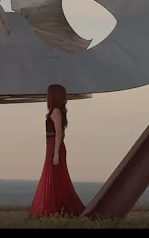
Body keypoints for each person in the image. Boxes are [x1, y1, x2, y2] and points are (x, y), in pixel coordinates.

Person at [30, 84, 85, 217]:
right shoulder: (55, 111)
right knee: (55, 179)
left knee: (54, 178)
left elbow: (59, 133)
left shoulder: (56, 111)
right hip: (52, 146)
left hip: (55, 147)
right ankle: (58, 207)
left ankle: (53, 208)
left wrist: (55, 154)